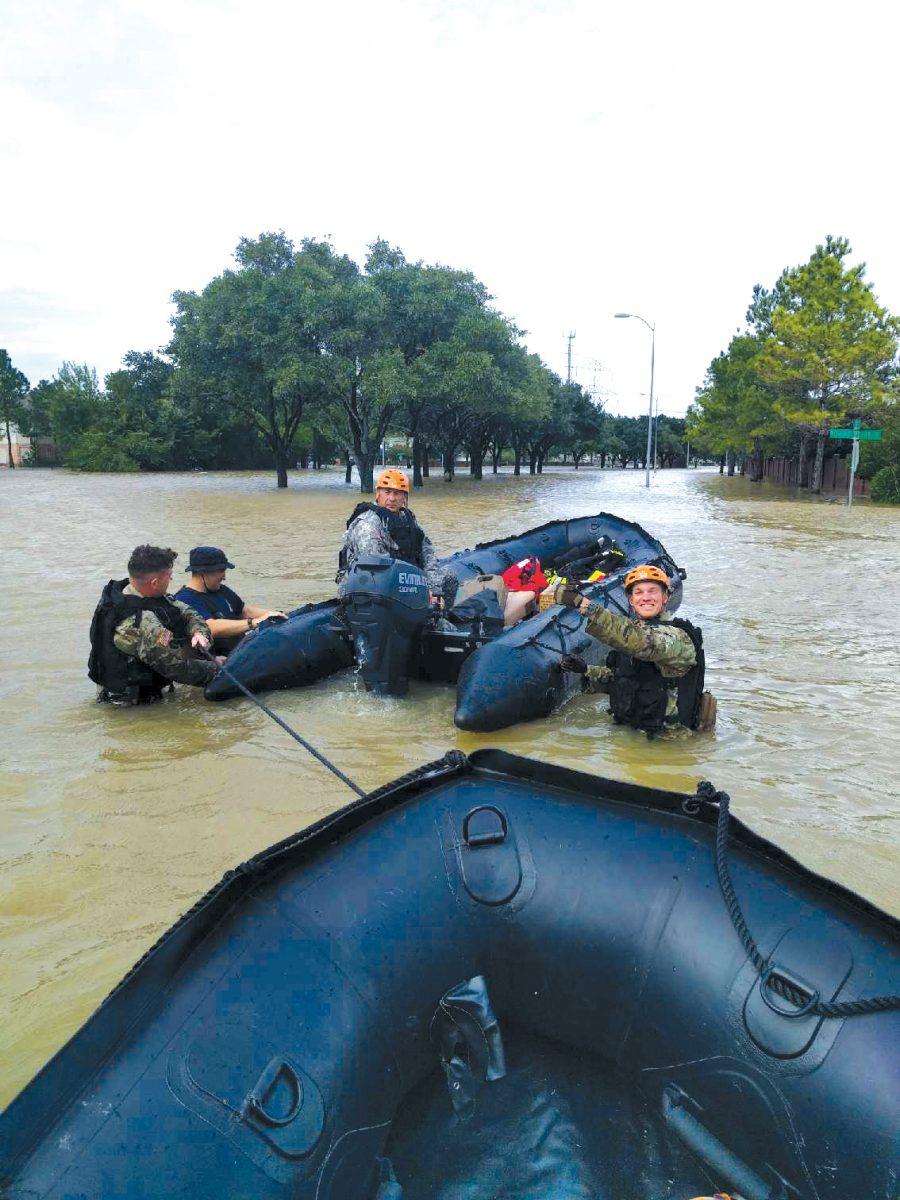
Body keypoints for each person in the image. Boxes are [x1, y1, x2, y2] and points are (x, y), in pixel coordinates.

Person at [555, 563, 715, 733]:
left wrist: (585, 605)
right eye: (638, 592)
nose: (646, 597)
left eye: (653, 591)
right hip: (631, 732)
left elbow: (643, 644)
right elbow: (622, 681)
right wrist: (585, 670)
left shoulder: (677, 637)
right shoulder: (633, 631)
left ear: (666, 597)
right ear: (631, 600)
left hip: (668, 742)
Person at [88, 545, 222, 705]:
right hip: (132, 706)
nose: (171, 580)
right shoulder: (142, 623)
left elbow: (188, 613)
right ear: (154, 582)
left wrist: (198, 633)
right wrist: (218, 667)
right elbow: (176, 668)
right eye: (169, 576)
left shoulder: (133, 591)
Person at [336, 468, 451, 600]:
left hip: (402, 579)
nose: (391, 498)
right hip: (366, 586)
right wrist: (417, 589)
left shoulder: (407, 518)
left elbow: (428, 554)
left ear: (405, 497)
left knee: (449, 577)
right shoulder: (367, 525)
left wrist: (433, 589)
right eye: (387, 492)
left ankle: (435, 616)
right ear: (378, 493)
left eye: (397, 493)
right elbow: (376, 569)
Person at [174, 546, 286, 655]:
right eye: (222, 570)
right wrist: (254, 622)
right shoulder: (185, 599)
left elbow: (244, 611)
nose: (224, 577)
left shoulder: (221, 590)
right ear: (203, 572)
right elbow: (211, 627)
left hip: (243, 650)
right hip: (221, 662)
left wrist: (275, 616)